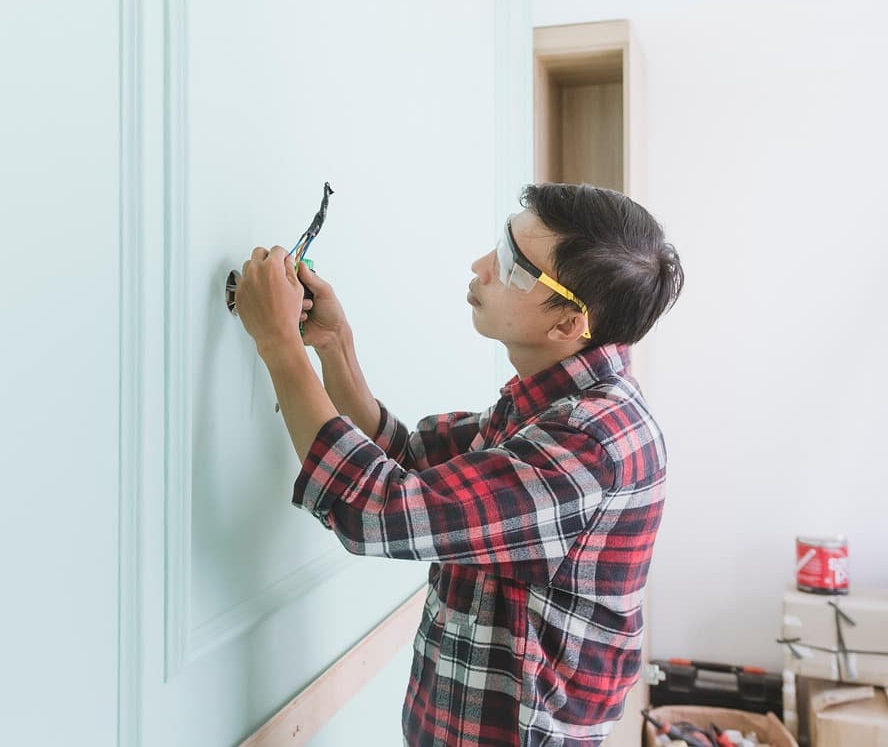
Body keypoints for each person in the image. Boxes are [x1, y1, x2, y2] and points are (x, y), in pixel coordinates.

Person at [231, 182, 684, 747]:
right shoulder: (552, 403)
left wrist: (278, 343)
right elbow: (409, 463)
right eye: (503, 244)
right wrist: (334, 345)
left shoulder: (591, 443)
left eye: (515, 267)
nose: (482, 267)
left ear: (569, 324)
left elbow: (379, 510)